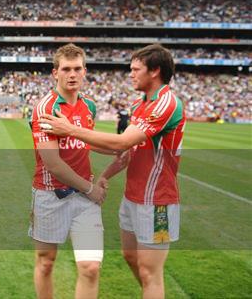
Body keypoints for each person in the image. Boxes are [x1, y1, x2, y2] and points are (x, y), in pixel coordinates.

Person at [39, 44, 185, 299]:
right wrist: (105, 175)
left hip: (158, 202)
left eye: (136, 69)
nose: (131, 74)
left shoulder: (166, 103)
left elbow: (122, 143)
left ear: (154, 71)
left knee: (151, 273)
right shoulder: (140, 105)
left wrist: (70, 129)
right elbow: (129, 153)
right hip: (132, 197)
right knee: (130, 257)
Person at [29, 43, 108, 299]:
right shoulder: (46, 109)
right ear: (55, 73)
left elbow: (89, 142)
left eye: (77, 69)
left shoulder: (90, 107)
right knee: (46, 262)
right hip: (51, 195)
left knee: (90, 267)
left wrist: (122, 149)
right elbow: (53, 164)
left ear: (85, 71)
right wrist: (90, 189)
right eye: (66, 69)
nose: (72, 74)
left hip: (85, 199)